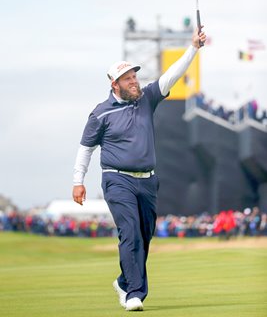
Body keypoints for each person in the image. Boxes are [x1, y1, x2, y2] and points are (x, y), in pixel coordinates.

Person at [72, 28, 206, 311]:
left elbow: (172, 75)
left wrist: (193, 48)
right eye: (128, 78)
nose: (135, 81)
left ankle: (123, 280)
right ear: (115, 84)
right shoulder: (100, 114)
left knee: (144, 235)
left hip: (148, 181)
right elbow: (86, 148)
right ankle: (134, 293)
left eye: (135, 76)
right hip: (116, 179)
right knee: (130, 231)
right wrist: (78, 181)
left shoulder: (146, 98)